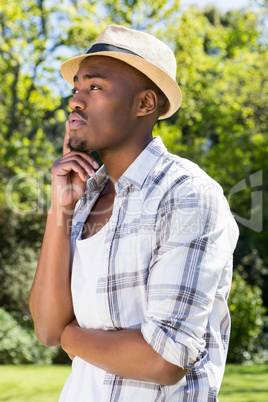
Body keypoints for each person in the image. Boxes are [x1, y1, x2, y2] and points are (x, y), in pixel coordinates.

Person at [29, 25, 239, 401]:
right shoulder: (85, 198)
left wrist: (70, 335)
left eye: (94, 87)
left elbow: (163, 358)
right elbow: (46, 327)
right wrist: (59, 210)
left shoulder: (186, 194)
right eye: (76, 88)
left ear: (145, 104)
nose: (75, 101)